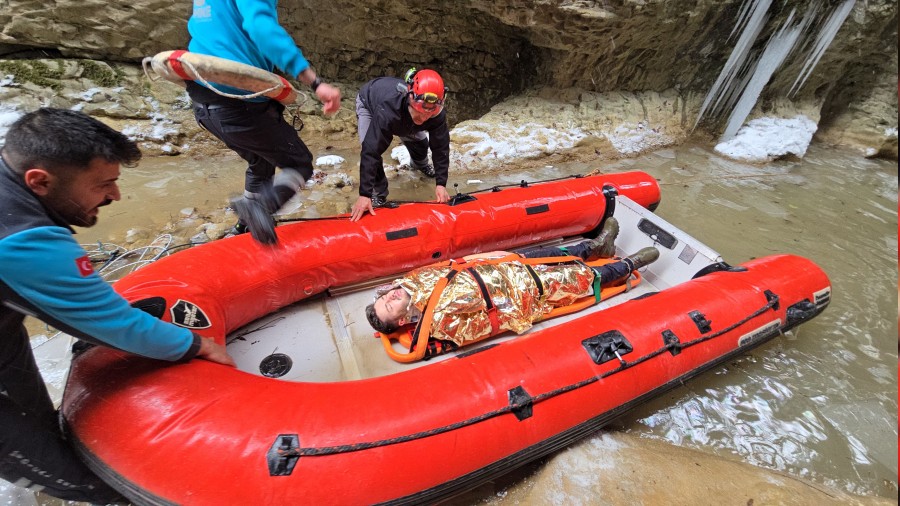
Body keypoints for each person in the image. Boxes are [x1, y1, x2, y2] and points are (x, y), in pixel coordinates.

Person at [0, 108, 236, 503]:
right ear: (39, 181)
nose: (116, 196)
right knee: (98, 483)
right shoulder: (23, 240)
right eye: (103, 184)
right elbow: (110, 323)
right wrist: (198, 345)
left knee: (39, 417)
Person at [365, 217, 660, 346]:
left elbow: (452, 265)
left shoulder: (412, 280)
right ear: (402, 321)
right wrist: (526, 302)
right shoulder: (441, 324)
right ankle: (627, 265)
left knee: (559, 252)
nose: (390, 299)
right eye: (388, 308)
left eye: (384, 298)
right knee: (582, 277)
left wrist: (496, 256)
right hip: (526, 290)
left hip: (508, 263)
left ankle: (599, 246)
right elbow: (488, 323)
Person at [186, 0, 342, 244]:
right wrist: (315, 82)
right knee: (299, 164)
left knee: (261, 162)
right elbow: (261, 28)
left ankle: (244, 228)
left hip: (204, 105)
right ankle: (258, 210)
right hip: (238, 103)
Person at [349, 69, 451, 221]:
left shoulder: (435, 113)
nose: (424, 118)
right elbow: (371, 152)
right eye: (421, 112)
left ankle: (419, 164)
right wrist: (365, 194)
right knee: (370, 148)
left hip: (404, 117)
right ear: (411, 99)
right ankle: (378, 194)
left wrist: (441, 184)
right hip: (370, 103)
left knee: (421, 144)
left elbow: (440, 147)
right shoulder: (388, 110)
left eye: (429, 114)